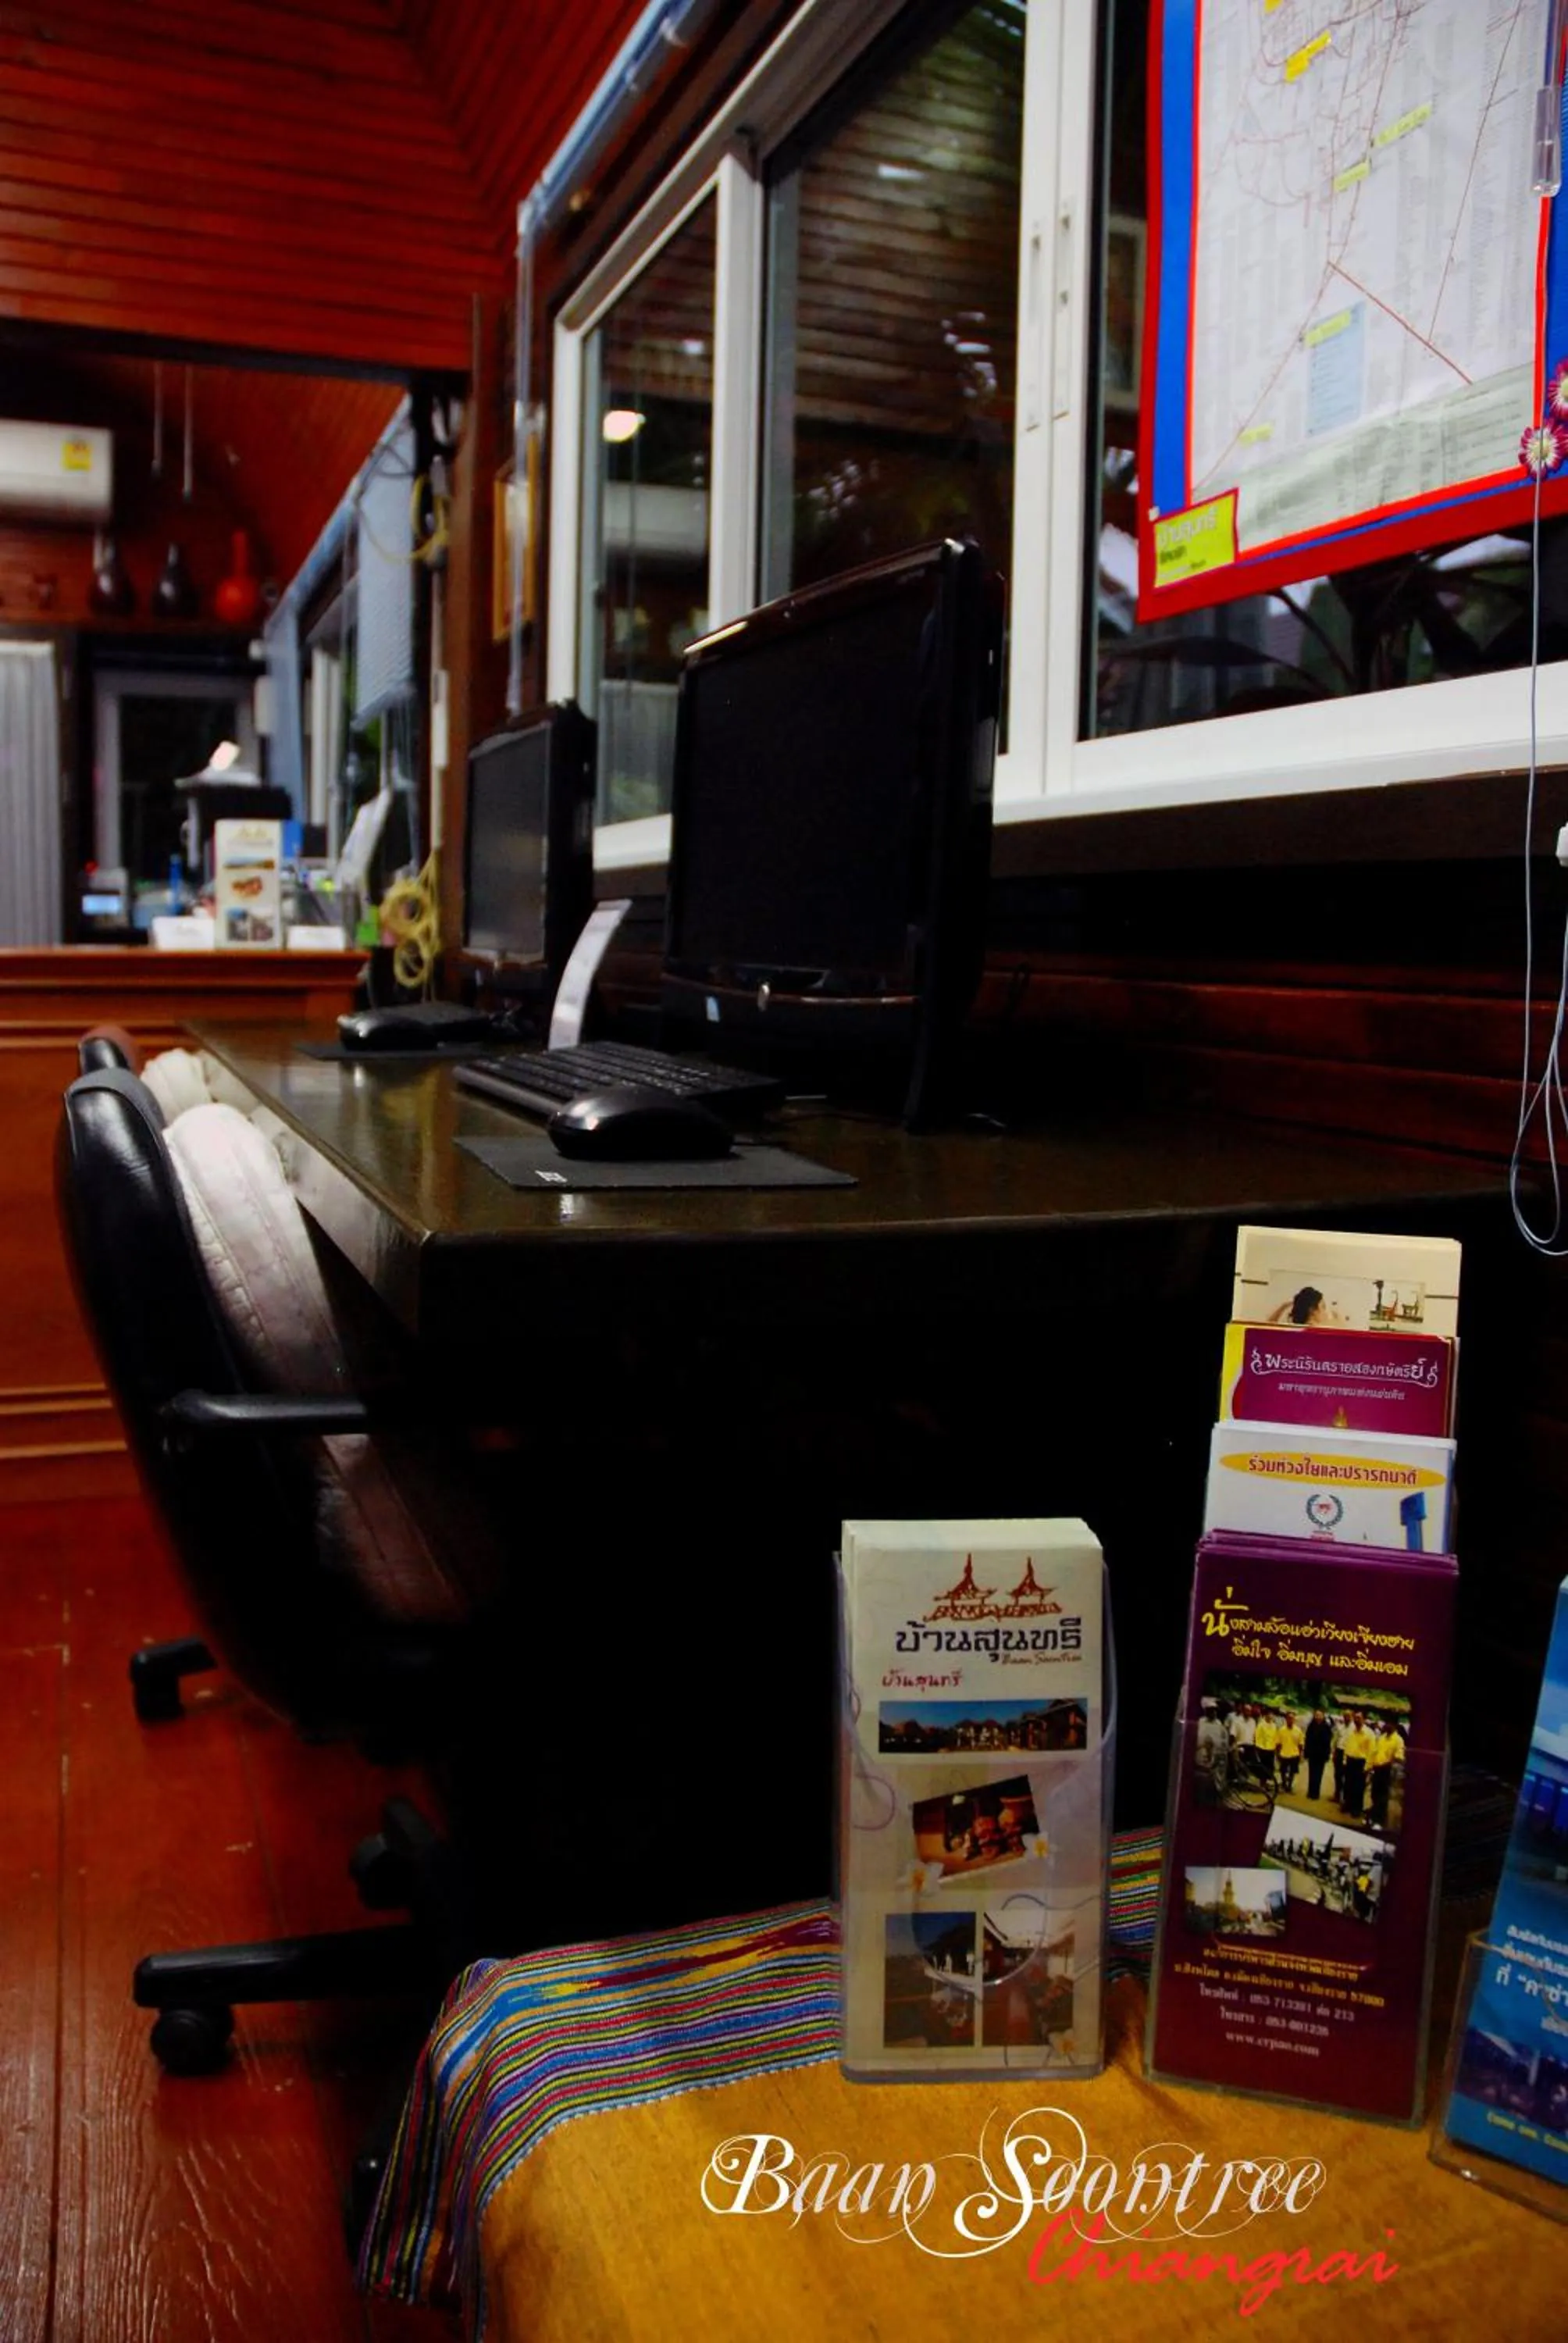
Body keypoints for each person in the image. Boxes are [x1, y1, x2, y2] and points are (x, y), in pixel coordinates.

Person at [1341, 1712, 1375, 1818]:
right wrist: (1345, 1760)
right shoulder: (1352, 1732)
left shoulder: (1369, 1733)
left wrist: (1368, 1767)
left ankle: (1356, 1809)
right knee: (1348, 1785)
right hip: (1350, 1761)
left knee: (1359, 1787)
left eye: (1359, 1718)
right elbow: (1347, 1746)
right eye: (1355, 1718)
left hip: (1361, 1762)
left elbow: (1372, 1752)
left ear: (1364, 1719)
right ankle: (1348, 1805)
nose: (1356, 1720)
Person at [1304, 1710, 1332, 1801]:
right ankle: (1310, 1792)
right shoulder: (1311, 1726)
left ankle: (1316, 1793)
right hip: (1312, 1754)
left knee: (1319, 1775)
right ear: (1314, 1716)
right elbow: (1307, 1740)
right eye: (1316, 1715)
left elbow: (1328, 1743)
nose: (1318, 1717)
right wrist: (1306, 1753)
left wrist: (1327, 1755)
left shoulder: (1326, 1727)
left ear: (1323, 1716)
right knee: (1311, 1773)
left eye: (1320, 1715)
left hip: (1321, 1755)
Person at [1275, 1713, 1304, 1793]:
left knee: (1292, 1772)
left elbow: (1301, 1744)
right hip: (1284, 1754)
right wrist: (1278, 1754)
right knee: (1283, 1771)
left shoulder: (1298, 1730)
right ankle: (1284, 1785)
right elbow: (1278, 1743)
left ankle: (1289, 1786)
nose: (1290, 1720)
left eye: (1292, 1718)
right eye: (1289, 1718)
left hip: (1294, 1754)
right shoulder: (1281, 1730)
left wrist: (1300, 1755)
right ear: (1286, 1719)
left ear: (1294, 1720)